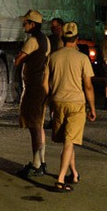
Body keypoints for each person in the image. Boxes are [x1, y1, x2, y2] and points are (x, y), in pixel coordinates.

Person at [42, 22, 96, 192]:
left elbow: (45, 84)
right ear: (77, 38)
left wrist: (47, 102)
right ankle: (59, 180)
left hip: (58, 102)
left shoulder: (53, 57)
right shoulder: (82, 58)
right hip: (76, 103)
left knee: (68, 140)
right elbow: (88, 86)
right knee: (69, 141)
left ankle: (73, 173)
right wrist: (92, 107)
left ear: (62, 37)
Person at [15, 9, 51, 177]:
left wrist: (23, 59)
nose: (24, 25)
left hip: (33, 87)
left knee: (34, 126)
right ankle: (41, 161)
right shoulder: (47, 40)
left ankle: (36, 164)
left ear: (32, 24)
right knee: (40, 124)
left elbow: (18, 60)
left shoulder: (32, 41)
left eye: (26, 22)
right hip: (42, 85)